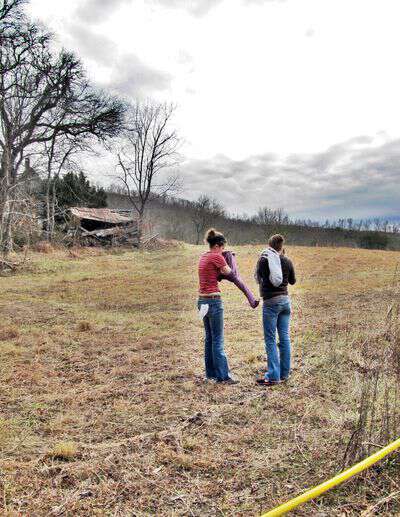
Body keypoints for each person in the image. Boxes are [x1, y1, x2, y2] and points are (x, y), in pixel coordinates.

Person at [254, 234, 296, 386]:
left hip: (271, 303)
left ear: (269, 245)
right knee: (284, 337)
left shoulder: (264, 259)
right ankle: (284, 373)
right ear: (281, 247)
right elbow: (292, 281)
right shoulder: (286, 260)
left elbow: (258, 278)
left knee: (270, 340)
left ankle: (273, 376)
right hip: (285, 301)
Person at [198, 228, 238, 384]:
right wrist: (230, 259)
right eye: (223, 248)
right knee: (218, 340)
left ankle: (211, 374)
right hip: (214, 301)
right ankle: (223, 376)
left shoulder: (204, 256)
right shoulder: (217, 256)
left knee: (209, 339)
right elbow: (231, 273)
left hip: (202, 301)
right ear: (218, 246)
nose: (223, 251)